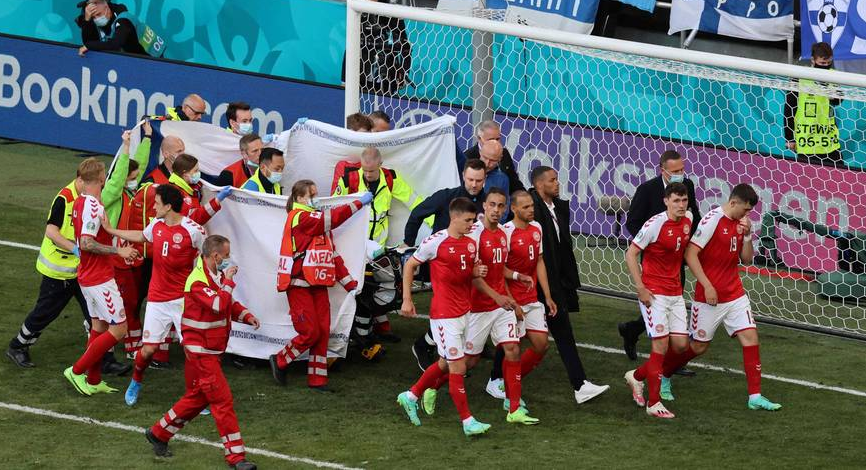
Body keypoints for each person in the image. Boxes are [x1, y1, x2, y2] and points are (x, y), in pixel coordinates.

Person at [661, 184, 782, 411]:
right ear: (733, 202)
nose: (746, 215)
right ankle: (663, 375)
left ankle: (755, 396)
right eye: (745, 210)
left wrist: (747, 236)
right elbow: (690, 253)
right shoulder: (712, 220)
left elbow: (746, 260)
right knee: (698, 347)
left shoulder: (740, 223)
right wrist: (707, 285)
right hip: (709, 297)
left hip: (735, 293)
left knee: (751, 338)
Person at [145, 235, 260, 470]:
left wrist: (245, 315)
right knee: (222, 400)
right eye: (226, 255)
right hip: (202, 352)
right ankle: (236, 458)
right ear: (216, 256)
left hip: (208, 349)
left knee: (199, 398)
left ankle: (159, 433)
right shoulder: (197, 281)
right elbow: (218, 304)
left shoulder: (211, 276)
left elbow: (226, 304)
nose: (229, 260)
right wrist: (228, 281)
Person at [6, 158, 128, 375]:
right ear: (81, 179)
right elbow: (51, 231)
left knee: (96, 317)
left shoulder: (85, 199)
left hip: (82, 271)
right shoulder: (65, 198)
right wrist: (75, 249)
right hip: (59, 269)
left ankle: (103, 360)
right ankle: (18, 345)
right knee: (45, 312)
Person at [105, 184, 209, 406]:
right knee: (148, 349)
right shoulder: (157, 225)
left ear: (169, 206)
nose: (153, 207)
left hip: (183, 300)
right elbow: (140, 236)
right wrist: (111, 231)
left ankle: (195, 397)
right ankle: (136, 381)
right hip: (158, 300)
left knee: (192, 351)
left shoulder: (193, 231)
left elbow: (206, 258)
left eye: (157, 203)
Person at [396, 197, 491, 436]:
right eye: (468, 220)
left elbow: (464, 273)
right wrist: (407, 299)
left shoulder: (470, 243)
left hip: (464, 312)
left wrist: (475, 272)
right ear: (454, 218)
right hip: (443, 314)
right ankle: (467, 422)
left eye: (473, 219)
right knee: (457, 367)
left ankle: (410, 395)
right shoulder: (435, 242)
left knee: (444, 363)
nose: (472, 224)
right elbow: (410, 265)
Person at [269, 181, 372, 391]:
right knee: (310, 332)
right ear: (299, 198)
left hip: (317, 283)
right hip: (298, 284)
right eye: (312, 194)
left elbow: (331, 255)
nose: (316, 198)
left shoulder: (316, 221)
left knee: (322, 332)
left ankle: (317, 381)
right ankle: (280, 360)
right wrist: (358, 204)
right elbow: (332, 218)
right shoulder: (301, 218)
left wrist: (349, 284)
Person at [523, 166, 609, 404]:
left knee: (562, 333)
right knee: (517, 335)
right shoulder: (532, 209)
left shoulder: (559, 207)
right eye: (552, 180)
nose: (557, 183)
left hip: (556, 284)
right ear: (539, 185)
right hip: (535, 285)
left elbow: (562, 248)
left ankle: (580, 385)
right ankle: (499, 377)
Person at [618, 150, 701, 367]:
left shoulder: (687, 186)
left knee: (672, 301)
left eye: (682, 169)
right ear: (662, 170)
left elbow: (695, 216)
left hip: (678, 255)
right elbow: (633, 222)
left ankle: (633, 330)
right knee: (659, 302)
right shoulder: (647, 190)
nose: (680, 174)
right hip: (655, 257)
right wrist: (650, 245)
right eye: (675, 171)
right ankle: (667, 363)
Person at [63, 158, 139, 395]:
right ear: (101, 179)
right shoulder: (93, 206)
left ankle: (93, 380)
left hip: (88, 276)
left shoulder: (79, 202)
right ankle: (76, 371)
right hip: (99, 279)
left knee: (98, 327)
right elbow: (86, 243)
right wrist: (119, 249)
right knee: (119, 329)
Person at [403, 159, 488, 369]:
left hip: (471, 263)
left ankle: (456, 351)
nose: (474, 184)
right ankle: (428, 347)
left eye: (478, 180)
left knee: (468, 307)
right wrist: (408, 242)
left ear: (485, 180)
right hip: (444, 266)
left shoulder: (487, 203)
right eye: (470, 179)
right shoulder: (446, 197)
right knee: (450, 309)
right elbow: (417, 213)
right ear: (463, 176)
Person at [333, 146, 422, 344]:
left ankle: (378, 328)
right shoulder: (350, 179)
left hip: (378, 248)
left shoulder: (390, 179)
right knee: (359, 288)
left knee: (381, 285)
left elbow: (414, 202)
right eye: (364, 170)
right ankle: (359, 330)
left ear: (380, 165)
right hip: (355, 245)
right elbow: (335, 206)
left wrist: (437, 223)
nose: (368, 174)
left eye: (372, 171)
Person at [622, 183, 693, 419]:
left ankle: (637, 376)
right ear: (666, 201)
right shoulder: (654, 224)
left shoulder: (689, 220)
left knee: (681, 346)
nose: (681, 205)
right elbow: (630, 253)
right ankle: (654, 403)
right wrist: (640, 287)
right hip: (654, 294)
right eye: (676, 201)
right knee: (660, 347)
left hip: (675, 292)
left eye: (684, 201)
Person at [485, 190, 558, 405]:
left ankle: (508, 382)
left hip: (532, 298)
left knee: (541, 344)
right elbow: (500, 270)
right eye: (525, 207)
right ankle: (500, 383)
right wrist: (510, 300)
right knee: (511, 347)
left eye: (532, 206)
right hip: (511, 299)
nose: (531, 210)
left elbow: (539, 261)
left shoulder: (537, 228)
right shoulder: (505, 232)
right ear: (513, 209)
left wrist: (547, 296)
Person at [105, 129, 150, 356]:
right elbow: (120, 174)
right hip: (116, 259)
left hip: (131, 257)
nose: (135, 181)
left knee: (132, 303)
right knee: (127, 303)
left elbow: (138, 167)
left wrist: (148, 139)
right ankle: (128, 346)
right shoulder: (111, 196)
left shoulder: (131, 194)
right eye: (131, 178)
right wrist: (125, 146)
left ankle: (130, 343)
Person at [784, 42, 843, 167]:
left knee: (838, 176)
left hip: (829, 141)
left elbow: (838, 101)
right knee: (809, 180)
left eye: (828, 63)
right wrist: (789, 138)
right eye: (822, 63)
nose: (826, 66)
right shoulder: (800, 78)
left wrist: (834, 97)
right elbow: (789, 109)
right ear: (813, 60)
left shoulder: (834, 76)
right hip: (807, 141)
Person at [462, 121, 524, 193]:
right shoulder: (468, 157)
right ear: (479, 138)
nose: (495, 142)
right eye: (491, 139)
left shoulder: (504, 153)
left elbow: (513, 182)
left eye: (497, 139)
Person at [76, 0, 146, 57]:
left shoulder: (124, 19)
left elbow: (115, 44)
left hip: (152, 60)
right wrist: (87, 21)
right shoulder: (98, 22)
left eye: (98, 14)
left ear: (107, 6)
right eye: (93, 17)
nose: (97, 19)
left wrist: (90, 46)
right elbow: (88, 43)